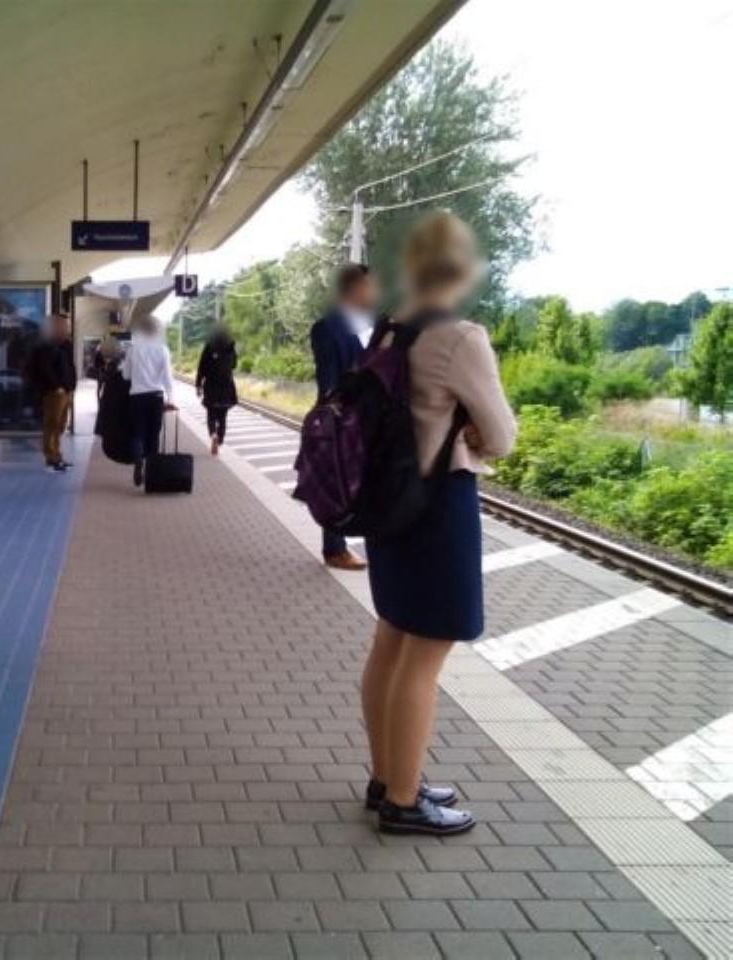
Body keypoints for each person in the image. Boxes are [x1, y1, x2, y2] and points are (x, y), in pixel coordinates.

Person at [361, 211, 516, 836]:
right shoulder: (461, 337)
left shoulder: (387, 331)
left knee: (391, 640)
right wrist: (475, 431)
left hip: (387, 504)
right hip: (437, 507)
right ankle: (404, 801)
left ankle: (386, 778)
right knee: (424, 659)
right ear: (463, 268)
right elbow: (501, 436)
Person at [311, 263, 379, 571]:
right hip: (344, 418)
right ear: (355, 288)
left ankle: (376, 542)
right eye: (371, 285)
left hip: (378, 418)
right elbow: (328, 382)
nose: (376, 291)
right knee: (339, 486)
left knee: (375, 484)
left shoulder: (379, 323)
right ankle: (335, 549)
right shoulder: (327, 328)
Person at [120, 315, 176, 487]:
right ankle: (152, 475)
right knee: (154, 435)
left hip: (137, 397)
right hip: (156, 397)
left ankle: (138, 462)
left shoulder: (133, 349)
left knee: (138, 433)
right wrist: (171, 399)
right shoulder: (162, 349)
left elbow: (125, 375)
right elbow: (167, 377)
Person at [27, 314, 77, 472]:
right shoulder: (47, 346)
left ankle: (57, 456)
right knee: (52, 425)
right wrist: (57, 386)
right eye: (63, 326)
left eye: (67, 326)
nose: (67, 329)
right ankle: (51, 458)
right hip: (54, 392)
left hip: (65, 391)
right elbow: (45, 368)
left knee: (60, 425)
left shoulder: (65, 345)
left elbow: (70, 366)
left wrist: (71, 386)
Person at [195, 325, 238, 456]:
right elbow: (234, 365)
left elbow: (201, 367)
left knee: (211, 414)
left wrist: (198, 385)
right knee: (223, 417)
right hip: (226, 387)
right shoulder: (231, 347)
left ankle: (213, 434)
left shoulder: (209, 346)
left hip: (211, 387)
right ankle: (219, 439)